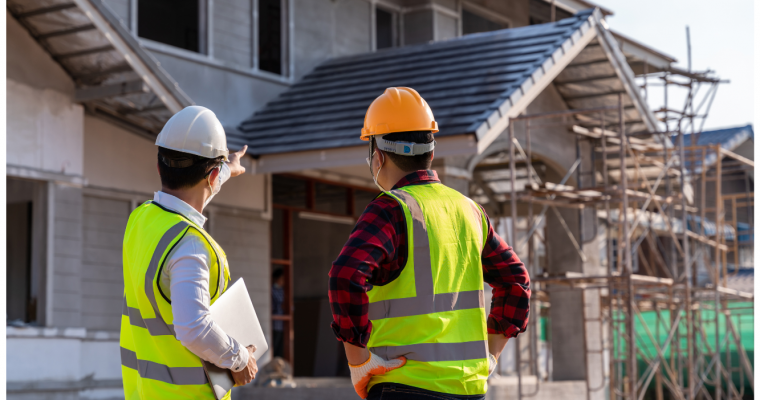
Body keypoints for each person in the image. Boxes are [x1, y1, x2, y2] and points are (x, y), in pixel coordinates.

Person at [328, 87, 531, 400]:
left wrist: (359, 362)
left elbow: (345, 275)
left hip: (404, 384)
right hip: (469, 390)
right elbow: (516, 281)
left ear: (378, 156)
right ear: (431, 152)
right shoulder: (470, 210)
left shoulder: (392, 208)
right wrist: (490, 354)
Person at [121, 106, 258, 399]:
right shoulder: (189, 244)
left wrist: (226, 169)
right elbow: (193, 327)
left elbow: (195, 190)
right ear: (211, 177)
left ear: (160, 166)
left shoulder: (141, 219)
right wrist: (240, 359)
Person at [271, 268, 286, 358]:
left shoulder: (283, 291)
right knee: (274, 348)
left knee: (281, 349)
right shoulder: (271, 290)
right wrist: (281, 307)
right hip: (275, 324)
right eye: (281, 279)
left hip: (283, 324)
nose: (283, 281)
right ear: (276, 279)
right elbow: (272, 306)